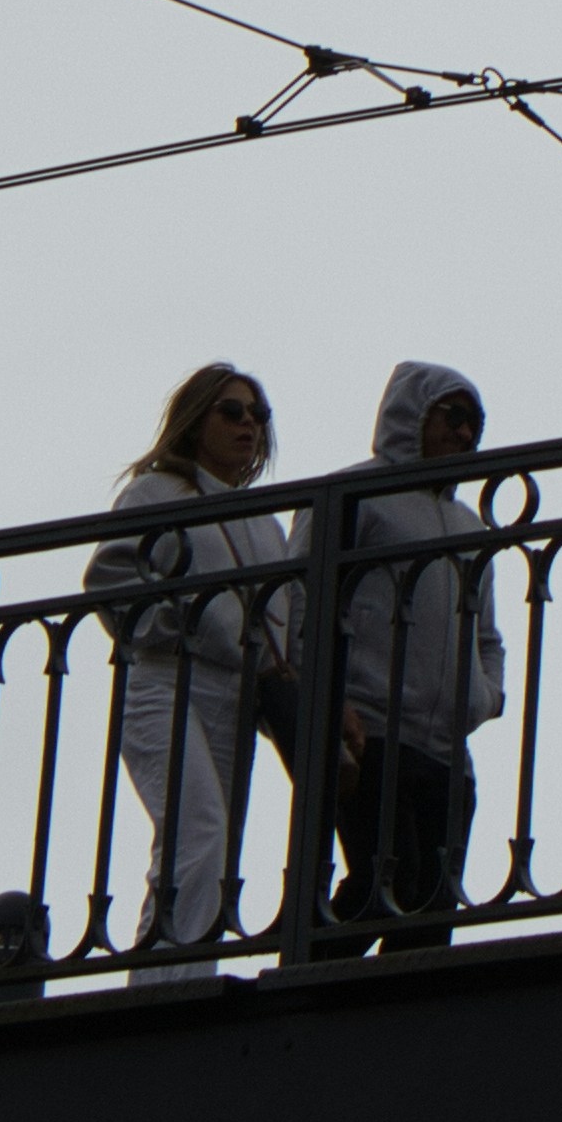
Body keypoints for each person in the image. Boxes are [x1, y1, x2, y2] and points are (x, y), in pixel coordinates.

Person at [83, 362, 290, 982]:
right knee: (196, 830)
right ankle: (163, 989)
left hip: (237, 693)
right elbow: (111, 580)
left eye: (258, 415)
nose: (248, 424)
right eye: (232, 411)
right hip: (167, 680)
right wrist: (183, 626)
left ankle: (180, 977)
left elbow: (287, 618)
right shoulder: (156, 492)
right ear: (197, 419)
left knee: (211, 850)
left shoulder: (267, 521)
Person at [319, 360, 510, 953]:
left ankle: (386, 1010)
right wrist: (330, 698)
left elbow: (488, 636)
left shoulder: (470, 527)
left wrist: (485, 697)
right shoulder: (354, 495)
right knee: (385, 881)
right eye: (453, 417)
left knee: (431, 914)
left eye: (476, 423)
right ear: (413, 415)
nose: (466, 433)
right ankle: (306, 982)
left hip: (449, 753)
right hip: (371, 731)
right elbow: (307, 603)